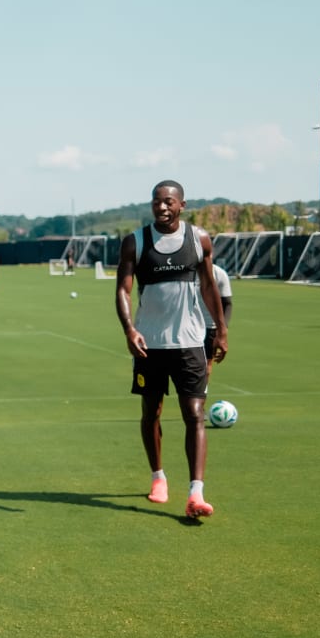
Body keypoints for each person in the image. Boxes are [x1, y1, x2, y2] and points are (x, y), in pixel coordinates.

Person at [115, 179, 228, 520]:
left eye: (168, 201)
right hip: (149, 344)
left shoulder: (198, 239)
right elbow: (123, 289)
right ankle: (158, 477)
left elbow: (208, 285)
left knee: (194, 413)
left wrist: (221, 331)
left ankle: (196, 492)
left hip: (190, 342)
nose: (162, 207)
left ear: (182, 205)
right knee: (151, 412)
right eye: (156, 201)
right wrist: (129, 329)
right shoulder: (135, 242)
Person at [205, 263, 233, 375]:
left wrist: (222, 331)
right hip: (188, 326)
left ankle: (203, 387)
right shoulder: (187, 270)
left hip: (210, 326)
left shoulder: (219, 273)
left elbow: (227, 304)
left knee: (207, 366)